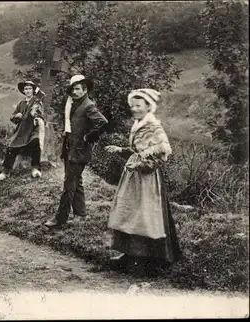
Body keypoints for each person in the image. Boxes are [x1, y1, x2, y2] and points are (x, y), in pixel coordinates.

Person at [105, 88, 182, 271]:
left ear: (149, 107)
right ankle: (129, 253)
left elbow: (158, 158)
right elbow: (139, 150)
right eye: (132, 106)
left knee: (146, 216)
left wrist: (139, 166)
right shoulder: (138, 124)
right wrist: (121, 150)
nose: (135, 109)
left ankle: (148, 258)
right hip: (133, 178)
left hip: (147, 180)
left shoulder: (153, 127)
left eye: (138, 106)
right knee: (130, 213)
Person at [44, 75, 108, 229]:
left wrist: (88, 137)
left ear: (85, 90)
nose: (75, 92)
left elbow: (102, 122)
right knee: (76, 182)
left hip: (78, 152)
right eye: (73, 89)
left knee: (69, 186)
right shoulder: (75, 104)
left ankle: (60, 219)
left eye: (78, 89)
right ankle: (80, 214)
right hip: (71, 150)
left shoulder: (88, 105)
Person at [0, 80, 45, 181]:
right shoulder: (21, 103)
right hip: (22, 129)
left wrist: (35, 113)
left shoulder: (36, 101)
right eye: (26, 89)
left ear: (33, 90)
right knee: (12, 147)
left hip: (33, 128)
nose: (27, 91)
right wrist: (16, 116)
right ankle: (5, 171)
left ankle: (35, 168)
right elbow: (13, 117)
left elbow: (40, 113)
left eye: (30, 88)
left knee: (35, 142)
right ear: (23, 91)